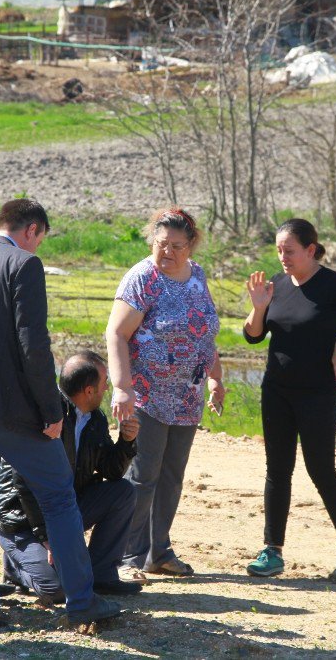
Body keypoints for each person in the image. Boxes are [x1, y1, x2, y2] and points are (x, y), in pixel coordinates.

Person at [0, 198, 121, 632]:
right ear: (31, 230)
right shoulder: (23, 266)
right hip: (13, 412)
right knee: (59, 497)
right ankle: (82, 603)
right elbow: (34, 346)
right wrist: (52, 411)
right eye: (40, 240)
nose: (37, 248)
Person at [243, 218, 336, 581]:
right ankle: (272, 550)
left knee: (321, 469)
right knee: (278, 470)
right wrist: (259, 306)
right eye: (278, 250)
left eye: (289, 251)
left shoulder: (334, 284)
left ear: (311, 250)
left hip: (318, 394)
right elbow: (252, 336)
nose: (282, 257)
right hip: (276, 390)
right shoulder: (276, 285)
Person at [106, 206, 223, 582]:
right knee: (142, 476)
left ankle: (158, 551)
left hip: (187, 397)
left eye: (176, 245)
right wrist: (122, 388)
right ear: (151, 242)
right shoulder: (142, 279)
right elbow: (117, 334)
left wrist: (215, 378)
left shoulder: (197, 276)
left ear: (190, 246)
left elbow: (204, 333)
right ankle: (126, 555)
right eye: (161, 244)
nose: (167, 252)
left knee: (172, 476)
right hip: (147, 396)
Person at [0, 351, 142, 602]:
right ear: (88, 391)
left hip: (63, 510)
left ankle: (101, 574)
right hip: (22, 520)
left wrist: (126, 443)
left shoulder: (94, 418)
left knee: (122, 492)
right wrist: (47, 537)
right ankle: (16, 568)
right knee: (57, 590)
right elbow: (23, 481)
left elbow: (111, 471)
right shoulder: (45, 413)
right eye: (104, 381)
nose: (107, 388)